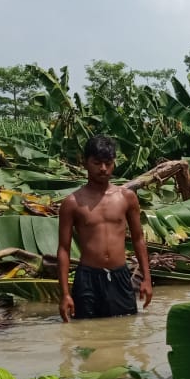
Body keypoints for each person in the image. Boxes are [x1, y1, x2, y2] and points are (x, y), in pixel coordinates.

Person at [58, 135, 153, 322]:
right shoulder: (72, 203)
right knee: (84, 335)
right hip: (87, 279)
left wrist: (147, 279)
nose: (103, 168)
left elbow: (138, 238)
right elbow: (63, 249)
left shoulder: (127, 197)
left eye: (108, 163)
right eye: (97, 163)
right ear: (85, 163)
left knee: (123, 331)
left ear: (114, 164)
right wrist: (65, 294)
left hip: (120, 276)